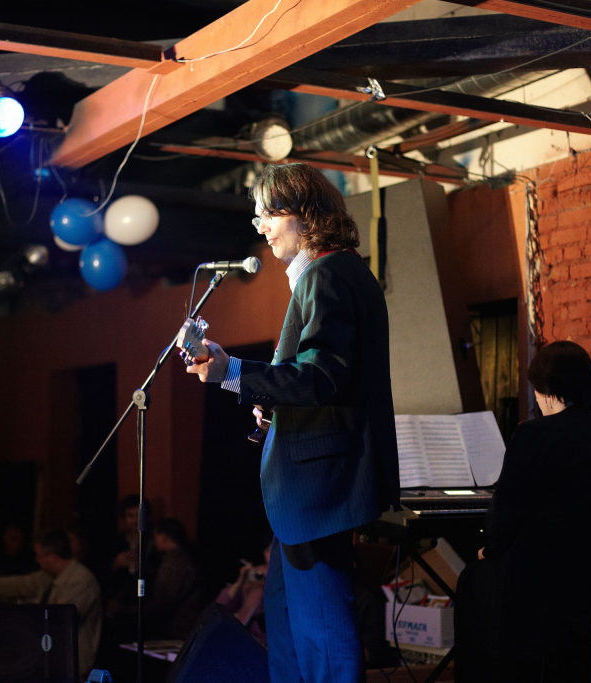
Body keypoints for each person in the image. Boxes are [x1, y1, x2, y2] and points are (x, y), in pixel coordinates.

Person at [186, 163, 399, 683]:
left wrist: (233, 370)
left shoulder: (327, 275)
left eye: (268, 213)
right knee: (286, 631)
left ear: (305, 213)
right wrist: (269, 399)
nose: (260, 226)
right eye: (257, 216)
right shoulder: (336, 272)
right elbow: (325, 381)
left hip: (317, 488)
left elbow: (322, 377)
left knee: (321, 637)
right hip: (308, 493)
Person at [453, 341, 591, 682]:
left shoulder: (533, 435)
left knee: (473, 580)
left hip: (550, 596)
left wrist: (490, 550)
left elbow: (502, 519)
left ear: (548, 392)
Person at [0, 528, 102, 680]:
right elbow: (19, 585)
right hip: (55, 662)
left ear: (52, 558)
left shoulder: (81, 580)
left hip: (72, 667)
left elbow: (60, 620)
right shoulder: (51, 576)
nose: (36, 560)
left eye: (39, 556)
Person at [215, 537, 271, 646]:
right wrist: (239, 583)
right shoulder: (256, 575)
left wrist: (270, 582)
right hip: (247, 640)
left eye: (275, 551)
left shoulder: (288, 579)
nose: (272, 556)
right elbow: (220, 607)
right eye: (268, 550)